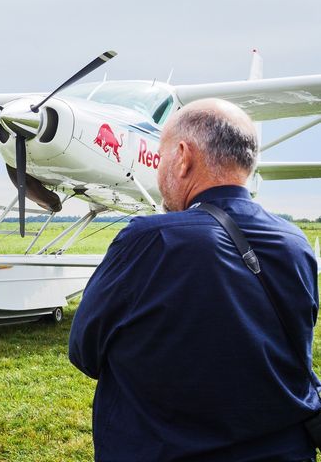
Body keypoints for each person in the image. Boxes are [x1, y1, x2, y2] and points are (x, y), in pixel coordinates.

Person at [69, 99, 320, 461]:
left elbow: (85, 352)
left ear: (183, 156)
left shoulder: (149, 240)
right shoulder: (296, 243)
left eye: (161, 155)